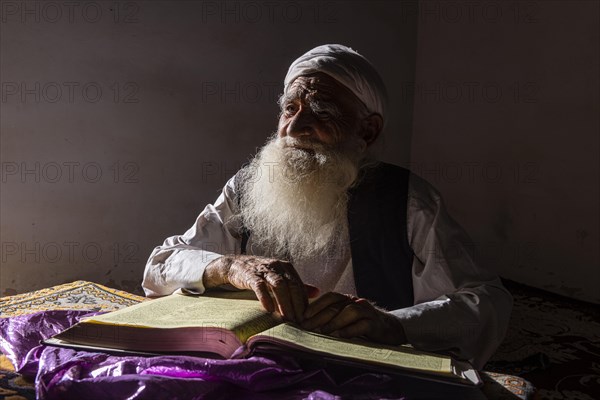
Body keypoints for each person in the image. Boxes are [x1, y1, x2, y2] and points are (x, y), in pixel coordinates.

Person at [142, 44, 512, 370]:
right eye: (290, 108)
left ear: (367, 131)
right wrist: (227, 265)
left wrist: (395, 323)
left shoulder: (408, 200)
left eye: (321, 111)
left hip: (361, 367)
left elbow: (485, 301)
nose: (296, 126)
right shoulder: (249, 186)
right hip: (256, 361)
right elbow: (162, 263)